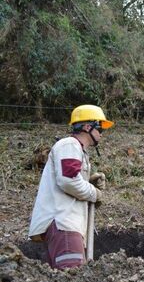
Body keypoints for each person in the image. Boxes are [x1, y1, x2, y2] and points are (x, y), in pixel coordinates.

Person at [28, 105, 113, 269]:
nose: (102, 133)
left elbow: (71, 178)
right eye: (100, 128)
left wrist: (88, 183)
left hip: (66, 225)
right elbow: (68, 181)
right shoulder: (70, 145)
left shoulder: (76, 149)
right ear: (88, 127)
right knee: (71, 278)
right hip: (64, 224)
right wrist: (95, 193)